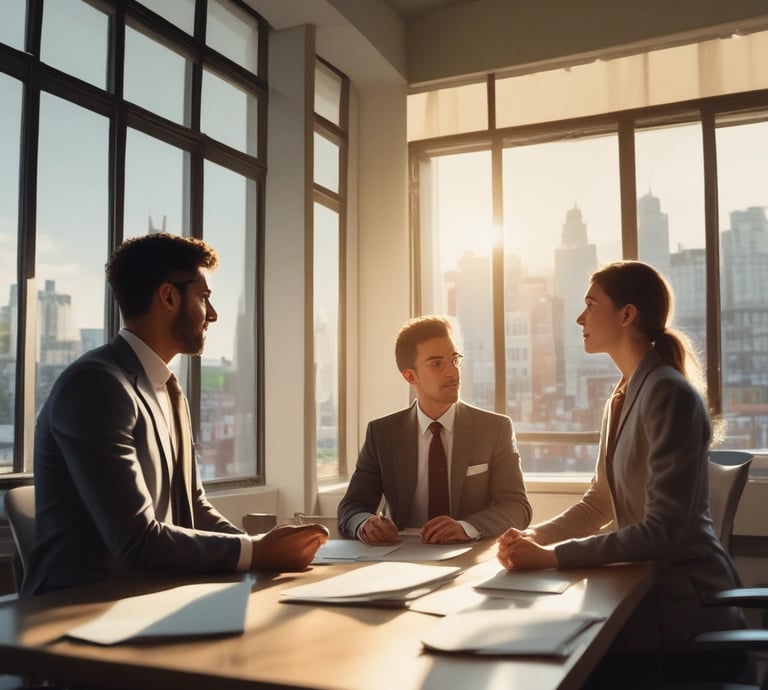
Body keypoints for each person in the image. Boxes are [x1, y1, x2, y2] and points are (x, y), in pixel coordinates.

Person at [23, 233, 327, 597]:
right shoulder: (96, 385)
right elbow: (136, 542)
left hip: (152, 595)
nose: (212, 315)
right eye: (204, 298)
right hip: (77, 609)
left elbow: (193, 507)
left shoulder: (168, 388)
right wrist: (258, 552)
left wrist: (260, 547)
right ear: (168, 296)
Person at [496, 260, 747, 685]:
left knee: (559, 673)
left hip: (684, 616)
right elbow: (599, 501)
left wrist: (552, 557)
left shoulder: (668, 393)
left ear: (627, 314)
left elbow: (661, 531)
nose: (580, 318)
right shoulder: (621, 394)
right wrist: (535, 537)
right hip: (643, 600)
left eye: (591, 304)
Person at [337, 315, 531, 545]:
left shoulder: (495, 429)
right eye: (437, 363)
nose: (453, 372)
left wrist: (466, 527)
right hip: (399, 558)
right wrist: (365, 524)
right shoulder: (382, 434)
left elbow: (517, 507)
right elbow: (352, 507)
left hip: (468, 552)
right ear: (411, 376)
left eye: (454, 360)